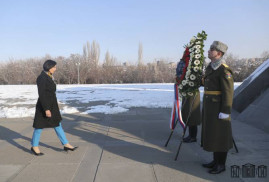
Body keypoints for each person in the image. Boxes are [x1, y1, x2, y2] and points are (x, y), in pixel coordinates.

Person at [31, 60, 78, 156]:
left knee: (57, 124)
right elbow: (42, 94)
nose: (55, 69)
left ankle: (66, 144)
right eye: (54, 67)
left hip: (52, 105)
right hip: (44, 106)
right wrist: (46, 109)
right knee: (39, 127)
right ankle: (34, 146)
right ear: (49, 67)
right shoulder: (42, 78)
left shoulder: (48, 76)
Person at [201, 41, 234, 174]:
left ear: (219, 53)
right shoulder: (211, 67)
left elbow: (228, 92)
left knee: (221, 136)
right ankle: (215, 161)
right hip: (210, 108)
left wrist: (225, 111)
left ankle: (221, 164)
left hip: (219, 108)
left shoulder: (224, 69)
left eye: (212, 49)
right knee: (213, 134)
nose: (209, 51)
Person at [175, 59, 201, 143]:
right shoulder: (186, 62)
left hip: (193, 93)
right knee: (187, 114)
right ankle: (191, 135)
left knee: (192, 116)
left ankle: (193, 136)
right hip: (188, 92)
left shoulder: (195, 63)